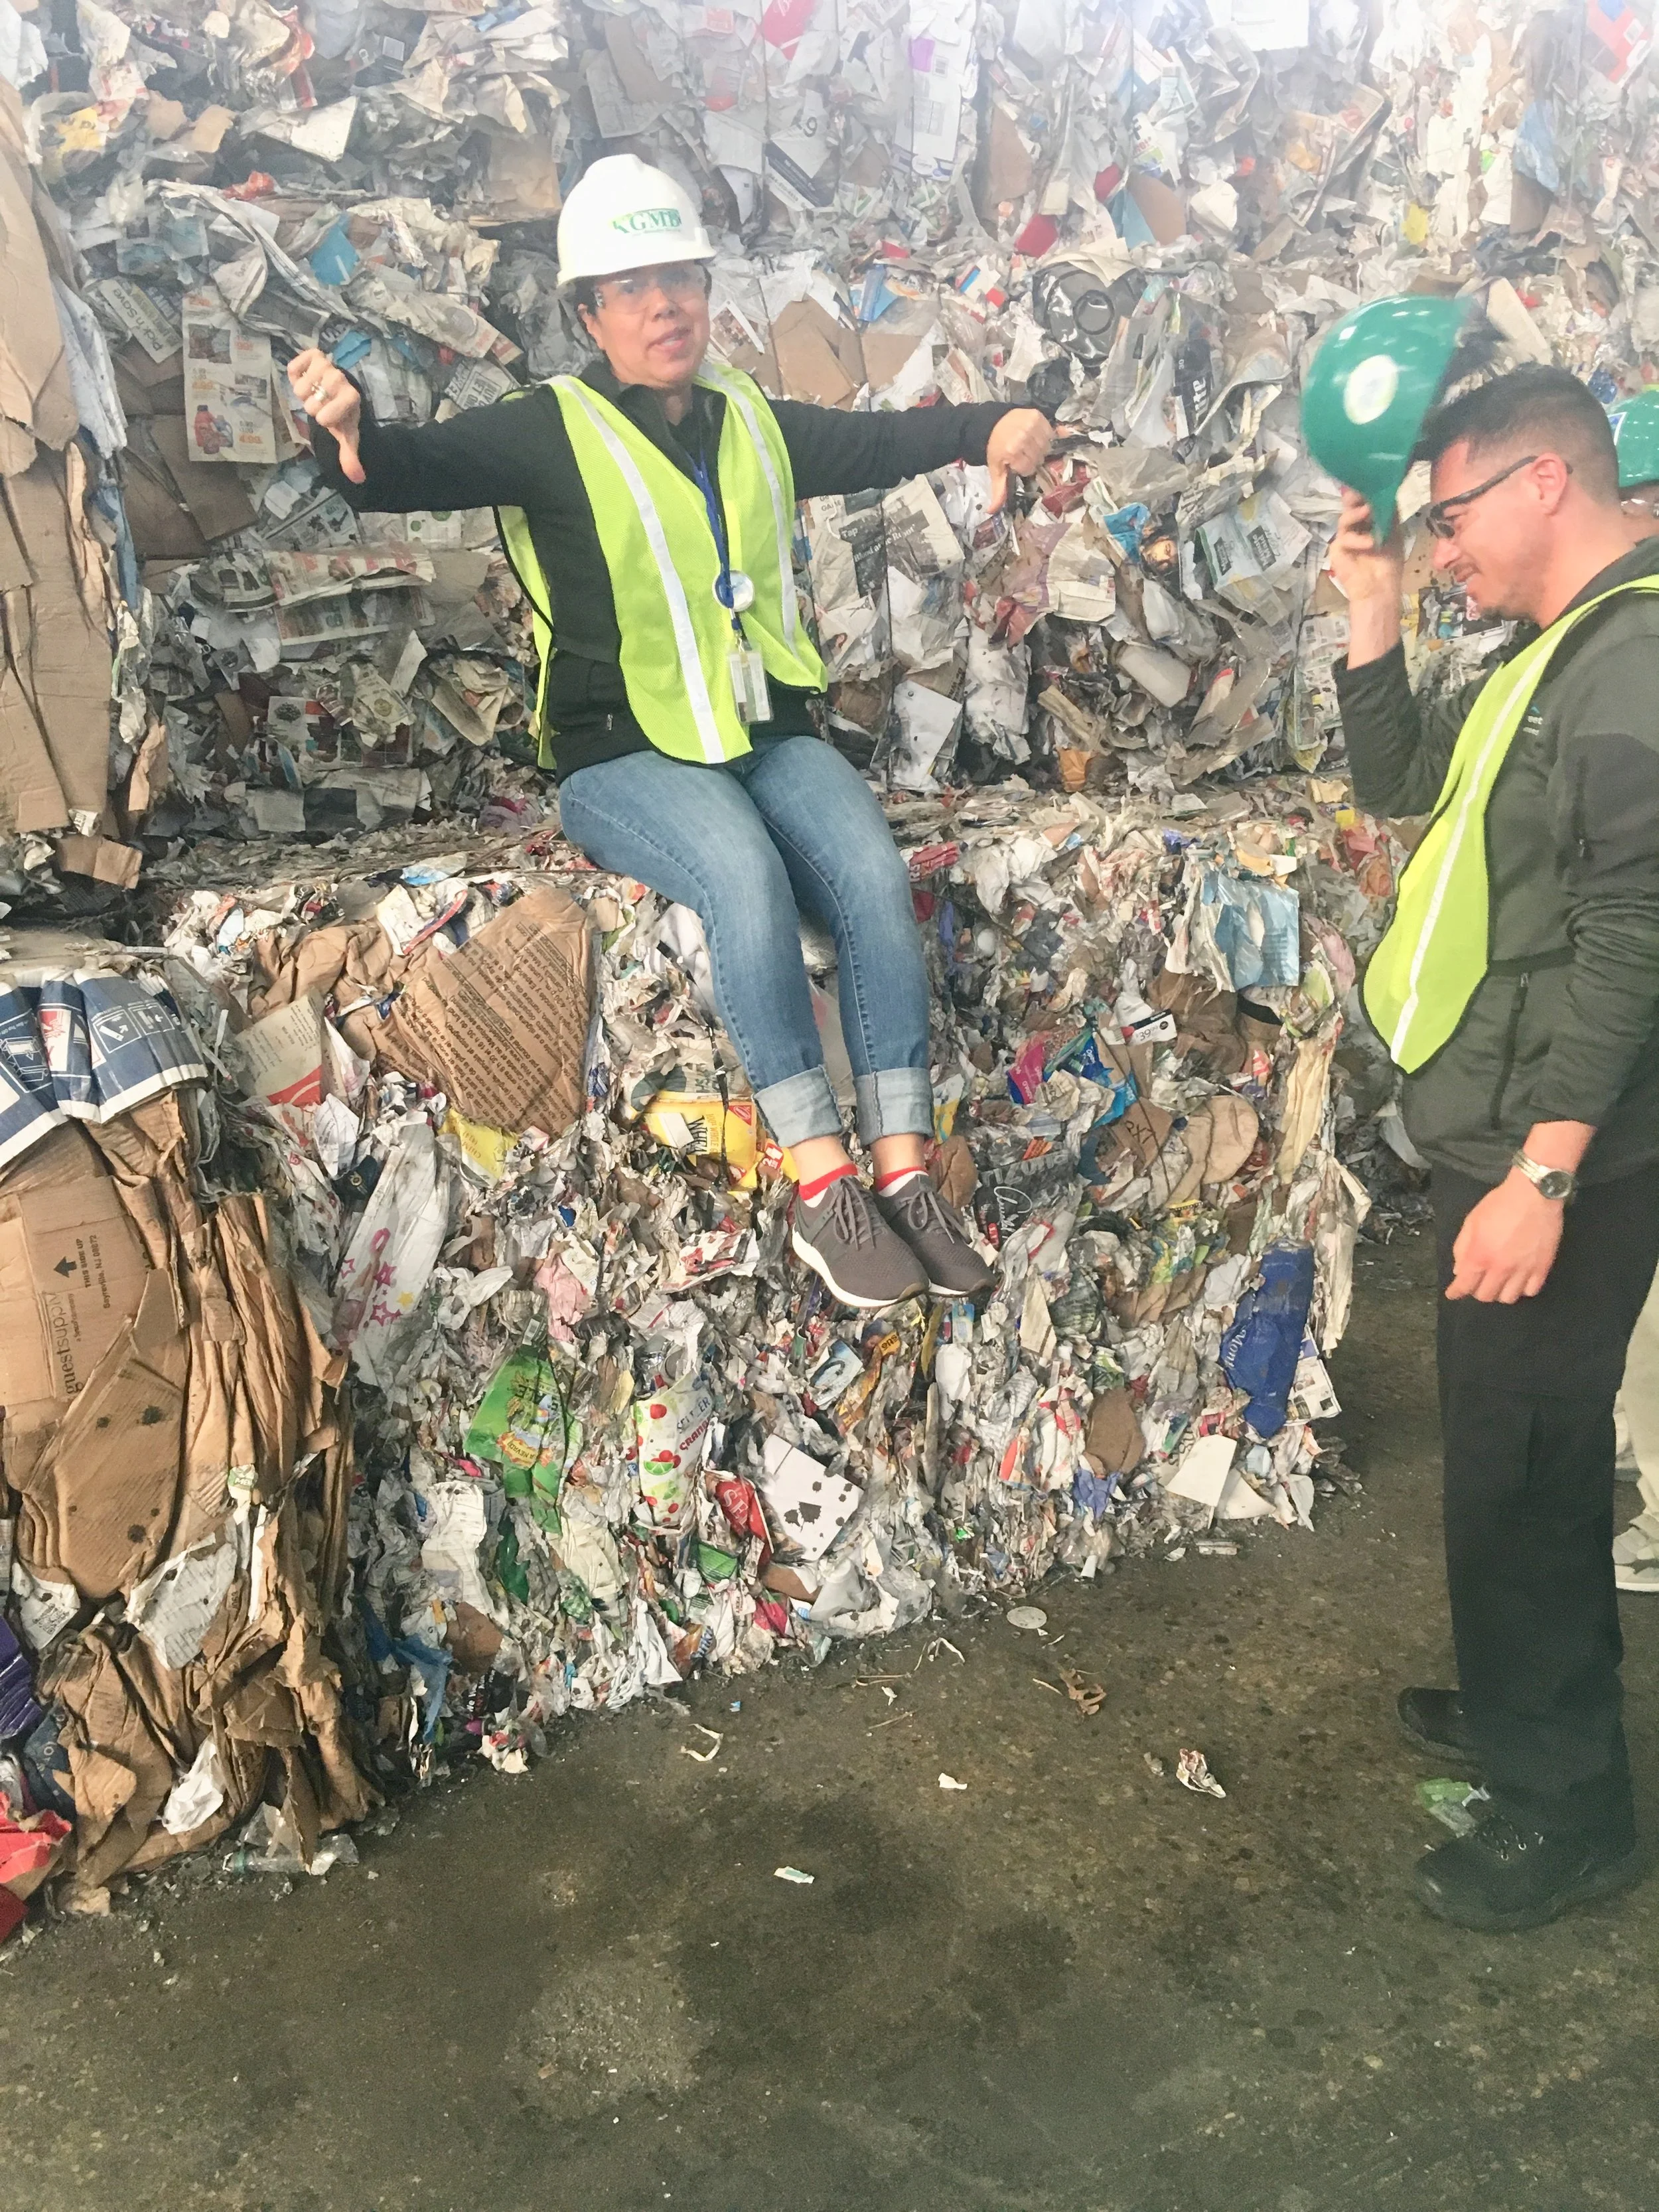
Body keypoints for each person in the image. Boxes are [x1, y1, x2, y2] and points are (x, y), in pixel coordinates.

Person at [287, 154, 1055, 1313]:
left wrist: (991, 424)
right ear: (590, 314)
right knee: (743, 879)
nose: (664, 306)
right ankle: (823, 1185)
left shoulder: (748, 414)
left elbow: (874, 441)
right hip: (617, 756)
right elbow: (404, 472)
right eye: (631, 287)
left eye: (680, 279)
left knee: (870, 875)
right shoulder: (549, 428)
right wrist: (349, 434)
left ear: (706, 288)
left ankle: (903, 1172)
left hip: (760, 729)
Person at [1332, 364, 1659, 1931]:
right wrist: (1373, 602)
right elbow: (1396, 783)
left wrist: (1540, 1171)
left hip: (1568, 1149)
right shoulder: (1549, 656)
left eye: (1447, 515)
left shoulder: (1632, 667)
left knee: (1523, 1464)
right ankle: (1521, 1693)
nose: (1441, 542)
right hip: (1507, 1119)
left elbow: (1631, 943)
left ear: (1542, 482)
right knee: (1493, 1440)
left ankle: (1566, 1805)